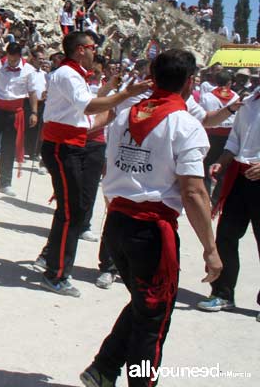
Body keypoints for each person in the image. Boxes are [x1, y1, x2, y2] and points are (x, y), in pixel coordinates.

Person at [80, 49, 220, 387]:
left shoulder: (126, 113)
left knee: (146, 304)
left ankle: (104, 367)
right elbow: (194, 192)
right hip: (151, 229)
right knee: (154, 317)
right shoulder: (185, 124)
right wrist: (211, 248)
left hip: (117, 223)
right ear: (190, 82)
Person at [38, 32, 150, 297]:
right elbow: (87, 106)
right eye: (91, 47)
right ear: (79, 50)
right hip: (62, 147)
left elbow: (83, 115)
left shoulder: (75, 75)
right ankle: (56, 272)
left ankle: (52, 262)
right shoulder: (67, 74)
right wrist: (124, 95)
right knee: (72, 210)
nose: (94, 52)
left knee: (73, 209)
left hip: (72, 145)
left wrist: (112, 102)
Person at [195, 84, 259, 316]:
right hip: (240, 176)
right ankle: (222, 293)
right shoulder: (249, 100)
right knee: (226, 236)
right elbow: (235, 139)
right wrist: (222, 160)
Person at [0, 42, 40, 196]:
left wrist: (34, 112)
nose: (11, 62)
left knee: (9, 147)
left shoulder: (29, 71)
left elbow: (32, 92)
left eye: (14, 60)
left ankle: (5, 182)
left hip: (15, 112)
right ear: (7, 55)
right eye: (9, 59)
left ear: (20, 56)